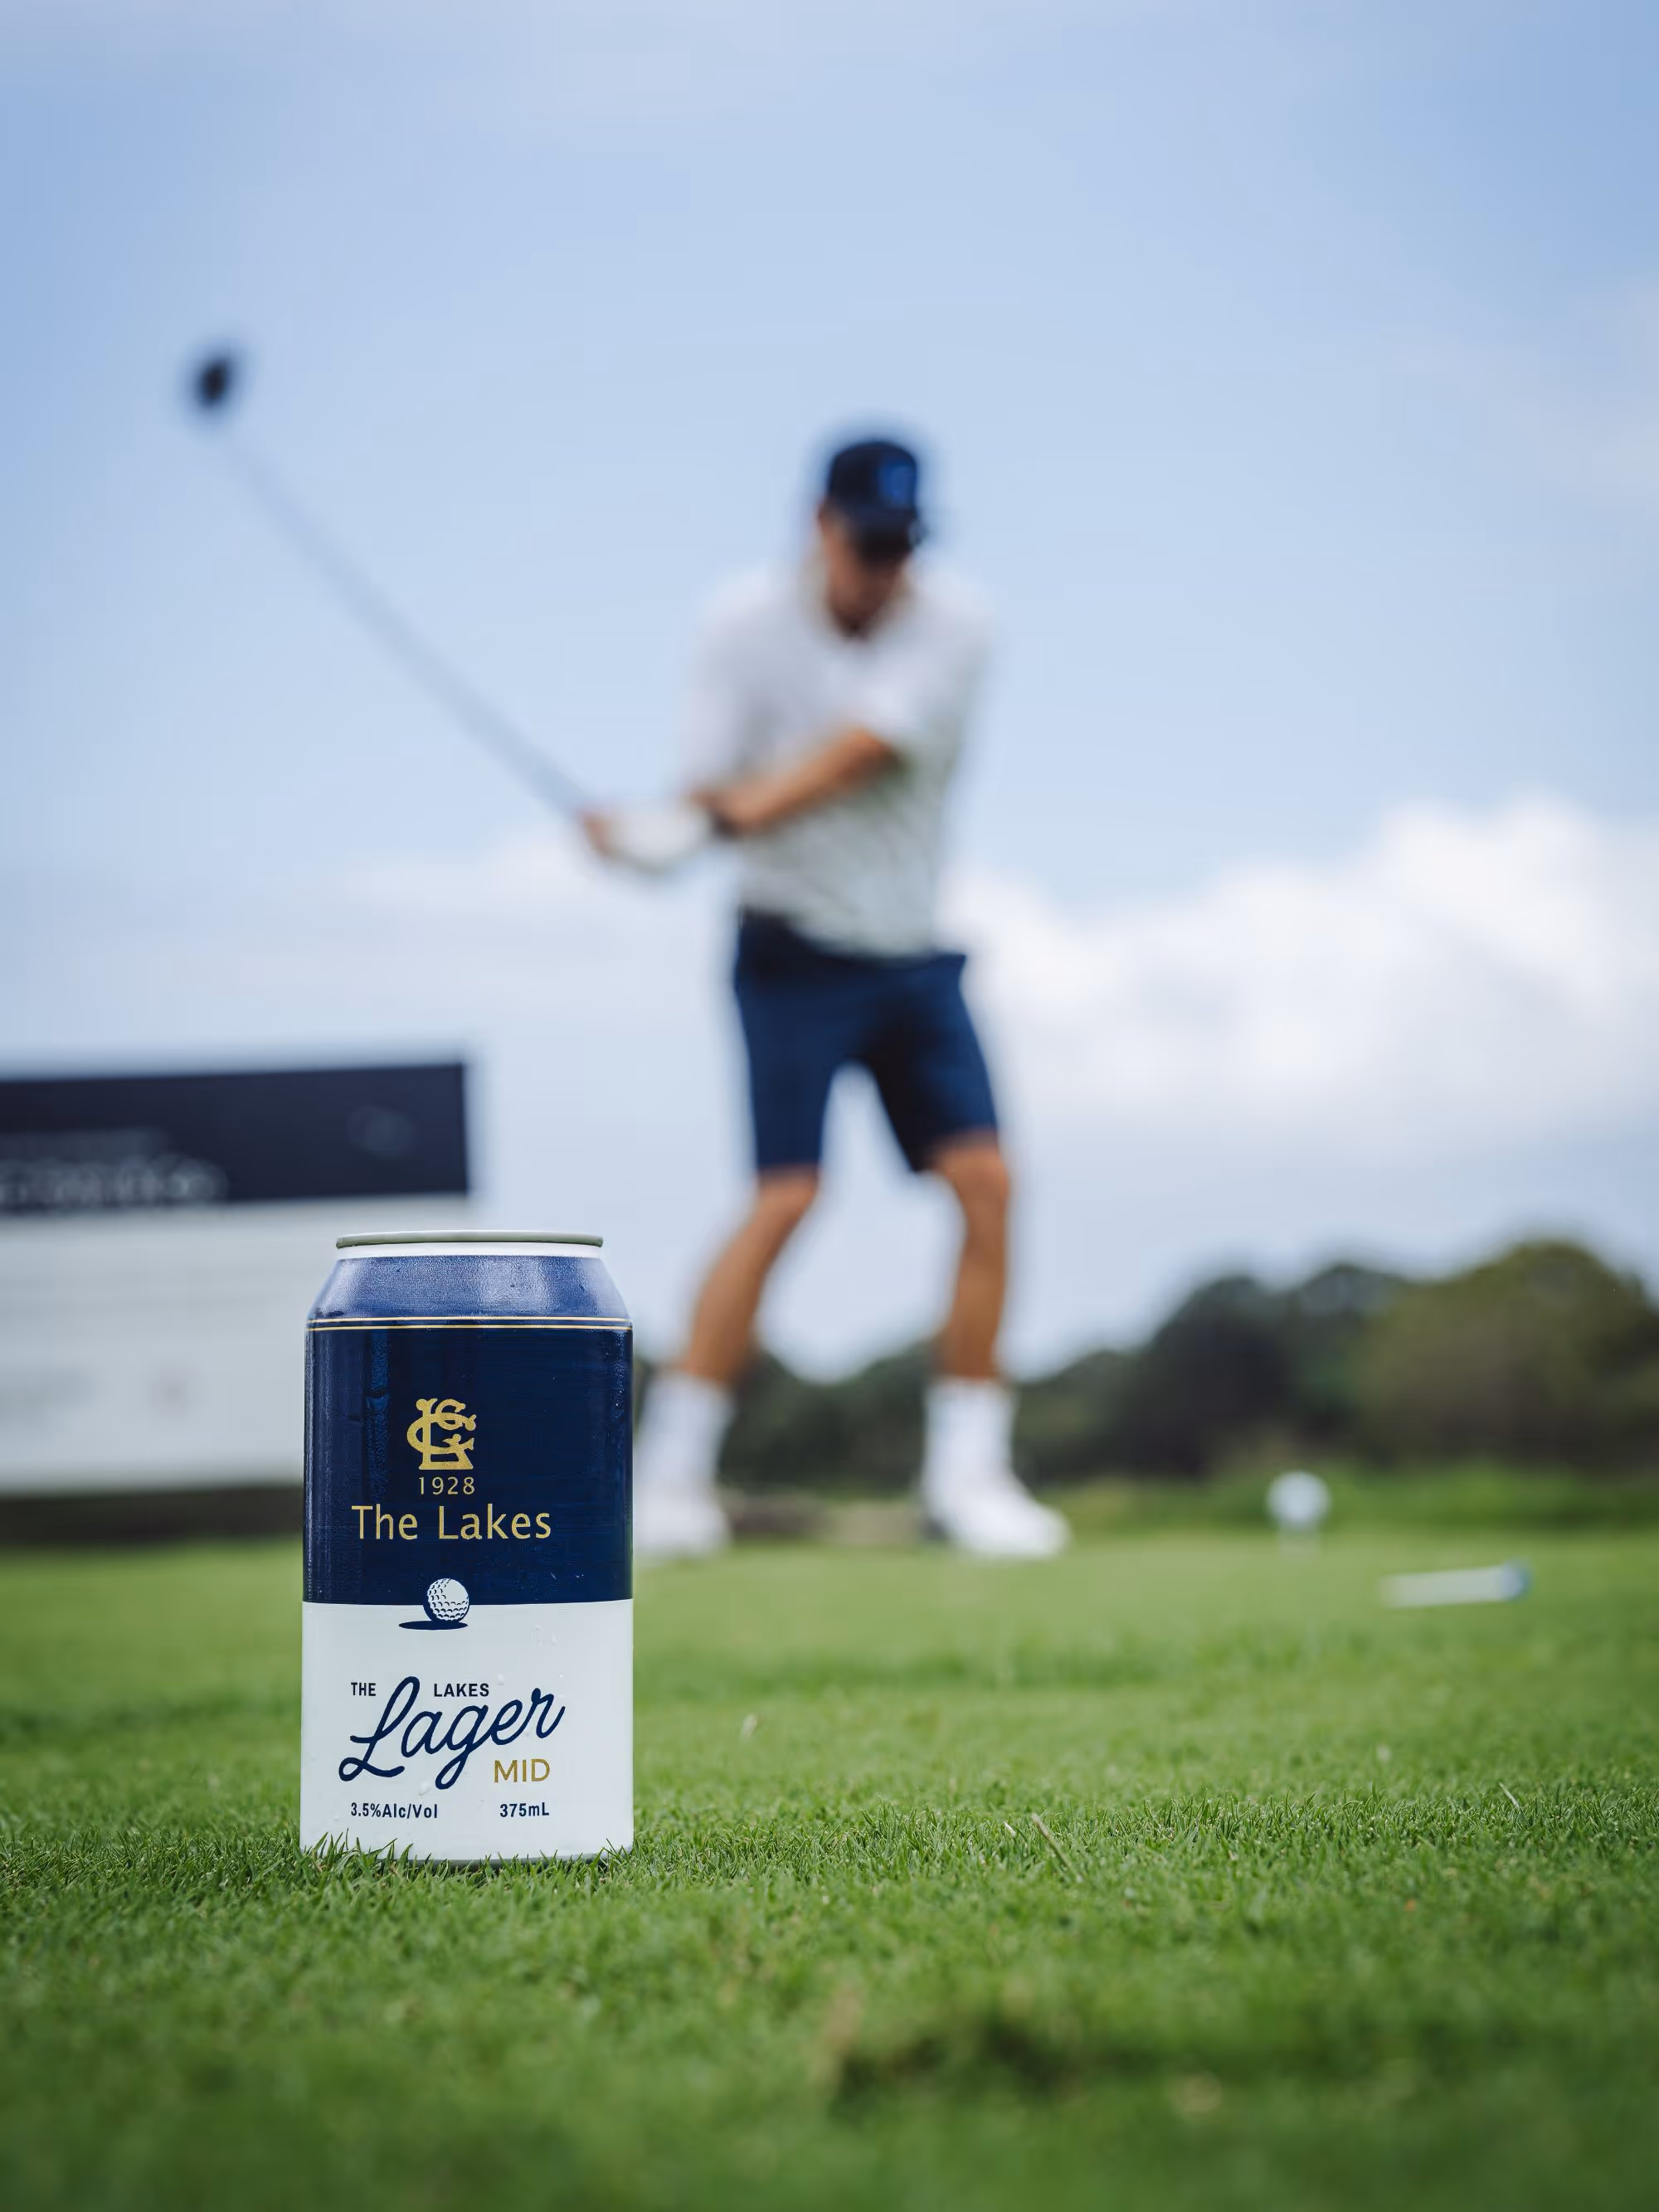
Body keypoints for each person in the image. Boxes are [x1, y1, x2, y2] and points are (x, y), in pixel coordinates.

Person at [585, 436, 1068, 1562]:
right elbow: (708, 780)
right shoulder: (739, 624)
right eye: (867, 544)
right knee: (786, 1195)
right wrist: (668, 830)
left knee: (987, 1182)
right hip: (788, 947)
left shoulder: (959, 626)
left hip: (911, 949)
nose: (883, 570)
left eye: (901, 548)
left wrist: (703, 827)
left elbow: (853, 755)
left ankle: (968, 1475)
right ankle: (670, 1477)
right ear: (820, 525)